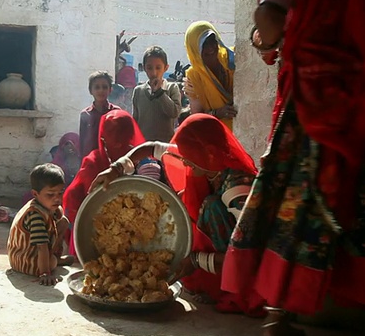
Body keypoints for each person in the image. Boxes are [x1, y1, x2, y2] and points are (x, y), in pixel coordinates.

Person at [221, 0, 365, 336]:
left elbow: (270, 14)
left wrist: (275, 35)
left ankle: (280, 317)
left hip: (316, 99)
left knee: (299, 206)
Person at [90, 114, 264, 316]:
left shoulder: (237, 191)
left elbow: (248, 256)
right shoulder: (205, 161)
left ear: (208, 153)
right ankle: (206, 281)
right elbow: (151, 147)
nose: (185, 163)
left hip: (241, 263)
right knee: (188, 199)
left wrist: (196, 260)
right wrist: (116, 168)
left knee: (210, 206)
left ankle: (223, 289)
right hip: (216, 252)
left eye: (189, 159)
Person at [63, 110, 146, 258]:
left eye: (124, 141)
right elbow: (94, 199)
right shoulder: (93, 162)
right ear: (103, 139)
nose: (120, 145)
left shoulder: (138, 157)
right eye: (115, 142)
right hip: (87, 212)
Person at [7, 163, 73, 286]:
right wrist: (45, 273)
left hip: (36, 252)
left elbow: (58, 221)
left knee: (64, 222)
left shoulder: (46, 205)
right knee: (51, 261)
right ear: (35, 194)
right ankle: (52, 262)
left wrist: (57, 211)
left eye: (60, 193)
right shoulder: (35, 215)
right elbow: (41, 246)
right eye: (50, 194)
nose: (57, 199)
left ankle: (53, 259)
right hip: (26, 261)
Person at [183, 21, 237, 130]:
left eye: (212, 41)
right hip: (218, 136)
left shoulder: (232, 59)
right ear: (195, 49)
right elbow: (197, 118)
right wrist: (218, 113)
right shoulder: (193, 78)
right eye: (204, 44)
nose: (210, 48)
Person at [132, 45, 182, 142]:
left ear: (166, 68)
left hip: (165, 146)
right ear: (144, 68)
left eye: (158, 68)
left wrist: (160, 92)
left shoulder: (172, 88)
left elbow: (174, 113)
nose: (154, 72)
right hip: (143, 146)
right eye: (149, 68)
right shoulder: (139, 91)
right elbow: (135, 121)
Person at [79, 71, 121, 157]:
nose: (101, 90)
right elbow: (82, 142)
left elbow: (121, 139)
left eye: (105, 87)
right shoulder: (85, 114)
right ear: (90, 90)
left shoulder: (116, 112)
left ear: (110, 90)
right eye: (97, 87)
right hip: (91, 160)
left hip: (111, 160)